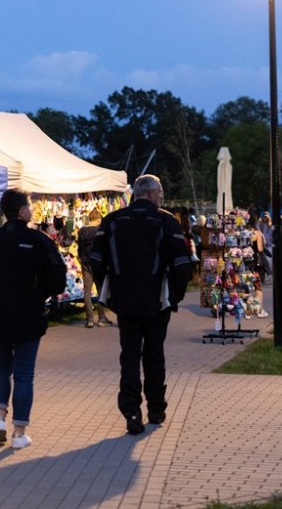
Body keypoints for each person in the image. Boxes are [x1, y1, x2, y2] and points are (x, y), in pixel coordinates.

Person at [0, 189, 67, 449]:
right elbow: (58, 281)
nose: (32, 210)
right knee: (24, 374)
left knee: (0, 368)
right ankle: (19, 432)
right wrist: (40, 292)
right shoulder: (40, 242)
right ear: (21, 211)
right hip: (29, 315)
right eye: (30, 206)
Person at [90, 175, 194, 435]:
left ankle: (132, 412)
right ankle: (156, 409)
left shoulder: (112, 220)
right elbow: (183, 263)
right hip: (156, 300)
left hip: (124, 301)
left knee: (129, 355)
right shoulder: (165, 220)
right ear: (151, 194)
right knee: (154, 354)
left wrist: (108, 290)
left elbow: (95, 259)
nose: (161, 197)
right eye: (160, 193)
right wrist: (175, 295)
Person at [78, 209, 112, 328]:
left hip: (85, 262)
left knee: (87, 291)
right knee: (101, 290)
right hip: (97, 263)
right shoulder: (100, 231)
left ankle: (89, 319)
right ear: (98, 220)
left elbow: (79, 248)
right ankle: (101, 318)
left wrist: (81, 258)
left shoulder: (82, 231)